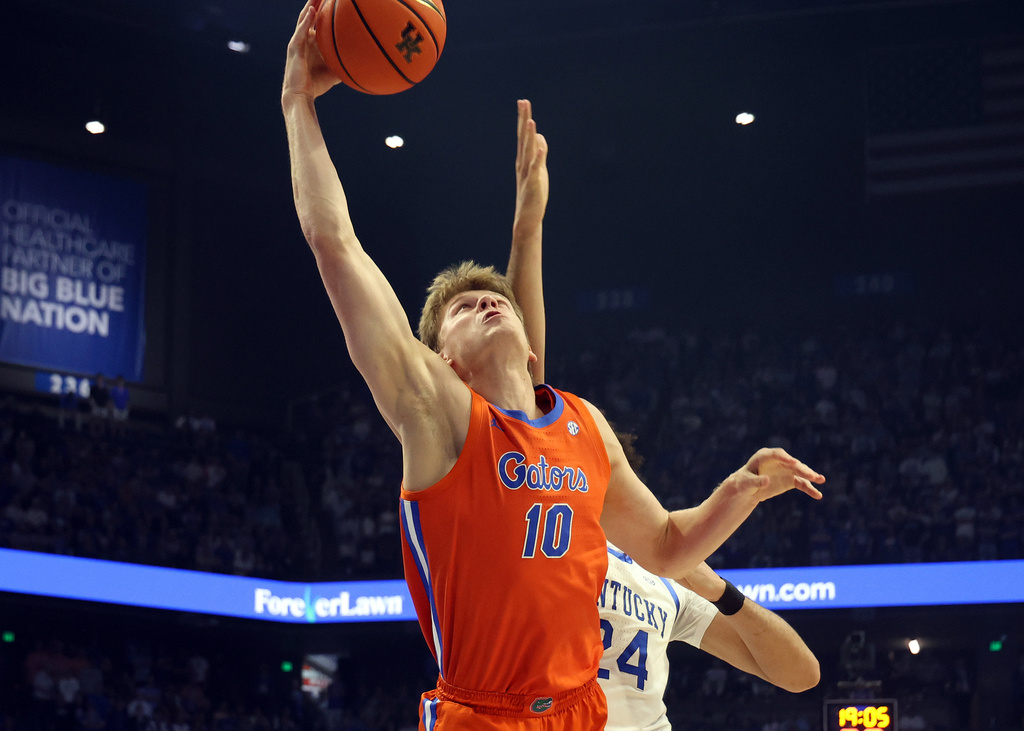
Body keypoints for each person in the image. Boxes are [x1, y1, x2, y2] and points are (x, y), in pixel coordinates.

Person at [282, 6, 825, 728]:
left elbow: (665, 546)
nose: (487, 305)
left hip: (580, 713)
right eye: (466, 307)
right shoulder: (439, 416)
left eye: (493, 298)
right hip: (483, 712)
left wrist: (739, 490)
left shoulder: (579, 424)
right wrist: (296, 101)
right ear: (443, 361)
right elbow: (336, 243)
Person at [506, 101, 820, 729]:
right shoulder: (534, 532)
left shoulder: (659, 573)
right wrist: (527, 227)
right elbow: (520, 390)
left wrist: (709, 584)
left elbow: (801, 675)